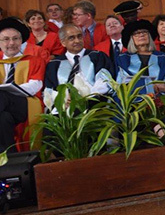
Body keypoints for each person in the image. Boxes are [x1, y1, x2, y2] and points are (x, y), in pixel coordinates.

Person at [0, 18, 46, 152]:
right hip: (4, 109)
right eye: (6, 39)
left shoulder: (34, 60)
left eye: (15, 38)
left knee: (2, 96)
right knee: (3, 119)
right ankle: (9, 159)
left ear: (21, 41)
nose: (11, 43)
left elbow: (35, 86)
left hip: (25, 103)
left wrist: (9, 90)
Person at [44, 24, 114, 106]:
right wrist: (64, 100)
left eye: (79, 36)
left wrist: (84, 97)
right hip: (65, 108)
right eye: (71, 38)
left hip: (94, 105)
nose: (77, 41)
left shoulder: (97, 56)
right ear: (63, 43)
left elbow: (105, 81)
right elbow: (50, 90)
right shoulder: (54, 64)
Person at [115, 20, 165, 100]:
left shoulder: (163, 57)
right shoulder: (123, 59)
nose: (141, 35)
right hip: (132, 101)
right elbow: (120, 81)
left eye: (144, 32)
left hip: (160, 100)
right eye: (136, 33)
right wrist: (148, 86)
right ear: (131, 39)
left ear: (149, 36)